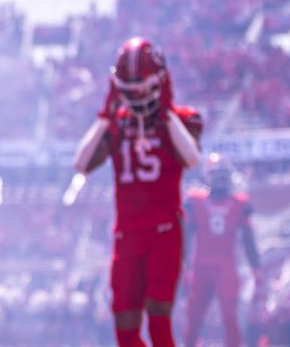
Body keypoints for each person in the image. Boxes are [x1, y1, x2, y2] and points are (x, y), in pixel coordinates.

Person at [73, 37, 203, 347]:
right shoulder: (116, 123)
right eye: (129, 89)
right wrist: (105, 116)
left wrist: (167, 113)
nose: (138, 96)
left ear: (161, 81)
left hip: (164, 229)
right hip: (128, 233)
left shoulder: (183, 119)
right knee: (125, 329)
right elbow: (81, 164)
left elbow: (192, 158)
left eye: (142, 87)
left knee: (159, 322)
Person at [183, 153, 261, 347]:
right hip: (201, 266)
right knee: (194, 316)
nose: (219, 178)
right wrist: (183, 264)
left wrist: (256, 268)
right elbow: (186, 236)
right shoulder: (195, 201)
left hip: (226, 267)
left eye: (222, 174)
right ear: (207, 176)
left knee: (230, 316)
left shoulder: (239, 203)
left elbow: (248, 240)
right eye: (215, 174)